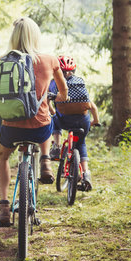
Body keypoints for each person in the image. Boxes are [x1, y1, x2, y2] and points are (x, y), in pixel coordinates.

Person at [0, 17, 68, 227]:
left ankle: (4, 207)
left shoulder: (3, 61)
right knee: (49, 119)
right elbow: (63, 91)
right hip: (39, 129)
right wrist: (59, 98)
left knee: (2, 158)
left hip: (11, 128)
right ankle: (45, 160)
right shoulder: (50, 60)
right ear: (36, 36)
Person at [48, 55, 100, 191]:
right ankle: (86, 174)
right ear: (74, 70)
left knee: (54, 120)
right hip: (83, 121)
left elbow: (47, 102)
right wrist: (95, 121)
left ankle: (57, 146)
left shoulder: (53, 83)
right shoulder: (80, 82)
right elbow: (91, 105)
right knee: (81, 143)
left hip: (65, 120)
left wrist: (53, 112)